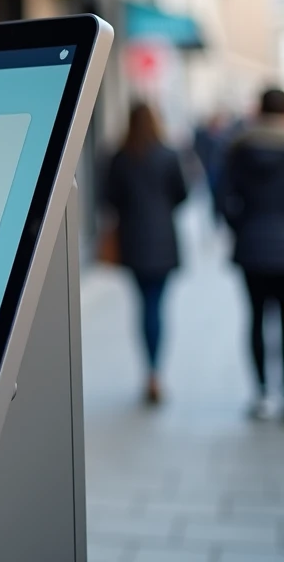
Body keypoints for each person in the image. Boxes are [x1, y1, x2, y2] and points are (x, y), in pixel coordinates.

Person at [105, 103, 189, 405]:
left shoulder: (120, 157)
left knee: (144, 305)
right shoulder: (167, 155)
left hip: (133, 241)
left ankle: (150, 371)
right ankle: (155, 372)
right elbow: (183, 194)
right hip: (163, 241)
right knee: (157, 304)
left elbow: (109, 198)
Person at [219, 88, 284, 421]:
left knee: (256, 319)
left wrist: (241, 227)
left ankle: (262, 393)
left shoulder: (240, 147)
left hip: (252, 247)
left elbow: (225, 196)